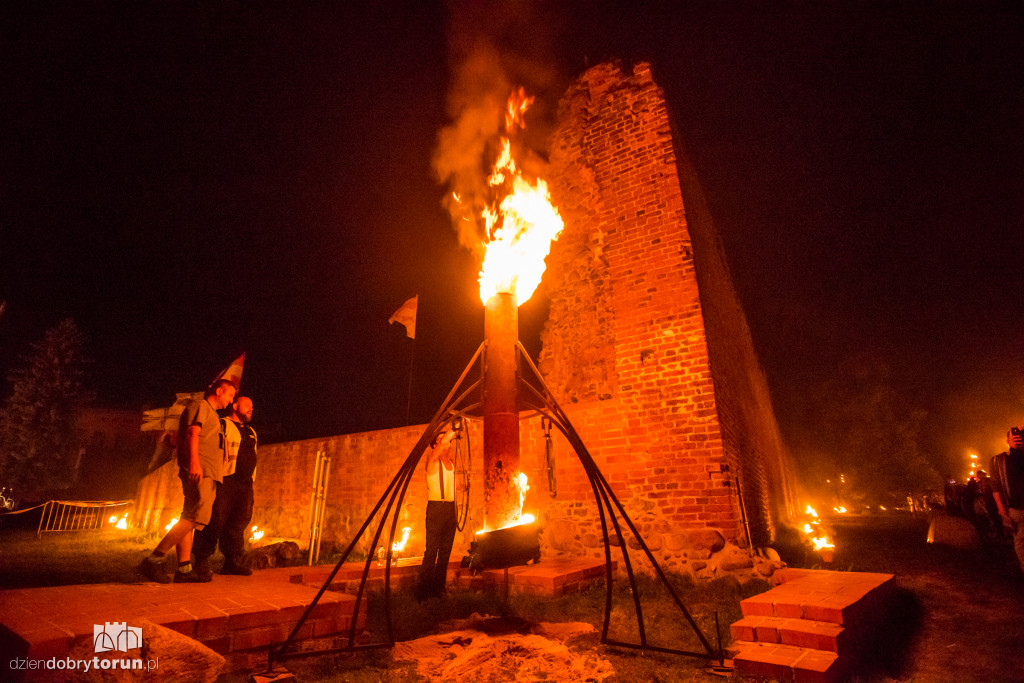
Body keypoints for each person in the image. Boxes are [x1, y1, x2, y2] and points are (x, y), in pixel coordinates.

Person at [139, 379, 236, 583]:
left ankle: (184, 569)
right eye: (230, 395)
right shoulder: (200, 406)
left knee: (189, 516)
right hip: (201, 471)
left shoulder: (213, 414)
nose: (231, 401)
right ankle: (154, 559)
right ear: (219, 391)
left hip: (208, 471)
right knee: (196, 516)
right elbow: (193, 433)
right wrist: (194, 463)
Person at [193, 396, 258, 578]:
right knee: (214, 519)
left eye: (252, 407)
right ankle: (201, 560)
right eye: (247, 405)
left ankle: (232, 562)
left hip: (245, 483)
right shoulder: (222, 424)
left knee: (238, 522)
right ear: (235, 406)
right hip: (225, 480)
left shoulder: (251, 430)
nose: (251, 409)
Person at [417, 428, 458, 600]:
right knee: (432, 550)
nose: (447, 444)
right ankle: (423, 591)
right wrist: (455, 428)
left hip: (450, 509)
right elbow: (444, 441)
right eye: (442, 441)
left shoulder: (451, 464)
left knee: (445, 551)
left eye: (447, 441)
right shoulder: (432, 460)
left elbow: (454, 487)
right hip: (436, 509)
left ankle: (438, 589)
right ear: (435, 445)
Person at [991, 426, 1024, 574]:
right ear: (1007, 440)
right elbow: (996, 486)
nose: (1018, 438)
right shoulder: (998, 460)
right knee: (1021, 540)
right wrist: (1000, 507)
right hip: (1016, 508)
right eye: (1014, 436)